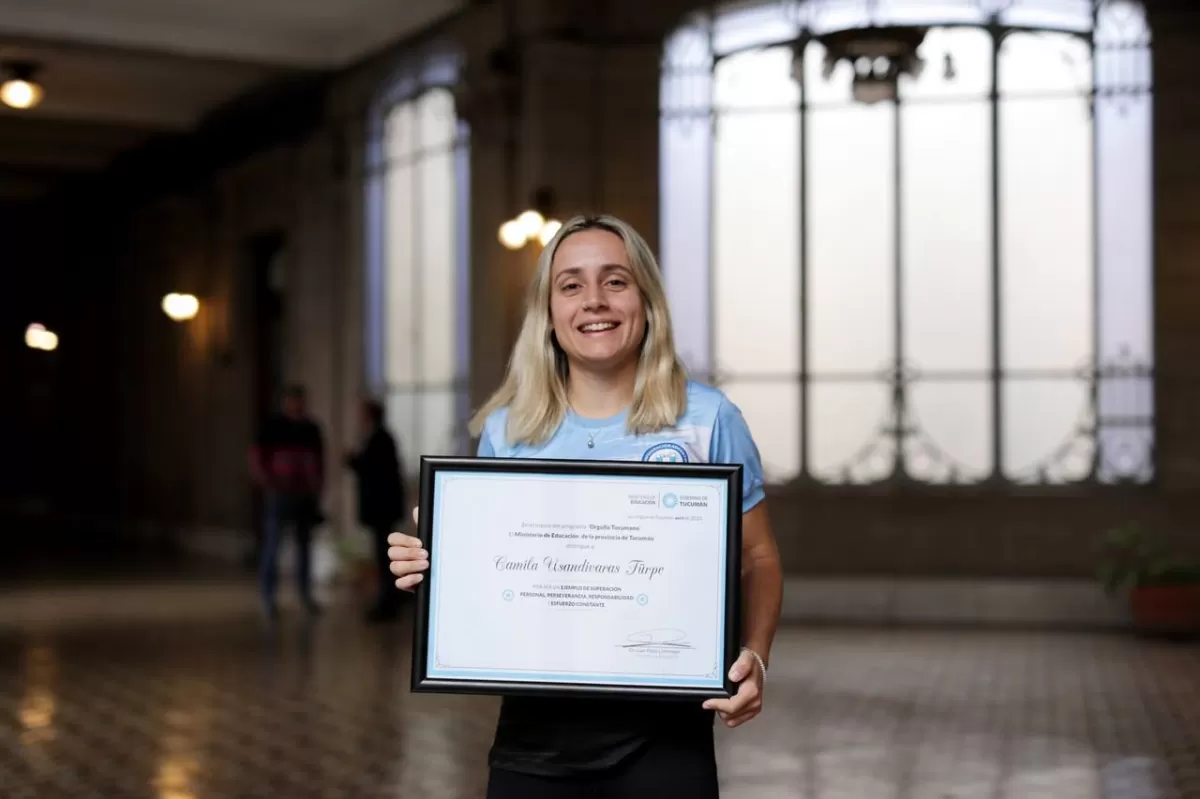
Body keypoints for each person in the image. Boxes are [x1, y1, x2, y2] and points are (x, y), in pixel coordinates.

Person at [387, 214, 783, 798]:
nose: (594, 301)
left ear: (646, 300)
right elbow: (492, 583)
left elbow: (759, 558)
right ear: (548, 312)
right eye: (571, 285)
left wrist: (756, 656)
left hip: (665, 738)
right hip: (534, 741)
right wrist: (431, 570)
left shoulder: (707, 419)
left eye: (616, 281)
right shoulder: (508, 430)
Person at [250, 384, 325, 620]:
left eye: (300, 401)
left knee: (304, 548)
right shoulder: (272, 426)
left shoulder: (311, 428)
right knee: (272, 546)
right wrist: (267, 481)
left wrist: (317, 487)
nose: (297, 405)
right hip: (279, 495)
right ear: (286, 402)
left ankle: (304, 594)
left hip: (304, 496)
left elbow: (319, 461)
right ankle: (268, 598)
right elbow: (256, 457)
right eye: (293, 401)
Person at [345, 397, 407, 622]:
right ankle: (386, 600)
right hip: (382, 510)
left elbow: (376, 471)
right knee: (382, 556)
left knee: (384, 557)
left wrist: (353, 460)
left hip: (383, 510)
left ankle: (387, 601)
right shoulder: (378, 438)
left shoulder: (381, 439)